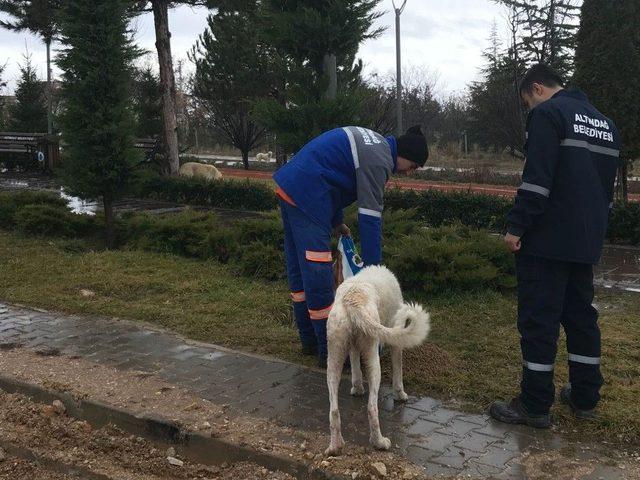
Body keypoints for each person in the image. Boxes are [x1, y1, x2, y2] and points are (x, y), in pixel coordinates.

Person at [490, 64, 620, 428]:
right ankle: (585, 396)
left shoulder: (548, 114)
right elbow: (603, 191)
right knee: (581, 318)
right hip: (585, 240)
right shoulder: (604, 123)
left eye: (527, 103)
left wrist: (516, 227)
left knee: (539, 321)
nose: (530, 109)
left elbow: (537, 182)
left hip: (546, 242)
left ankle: (533, 406)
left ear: (537, 89)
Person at [274, 125, 429, 368]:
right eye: (413, 167)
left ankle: (308, 340)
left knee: (299, 270)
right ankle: (330, 351)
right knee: (317, 273)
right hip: (309, 197)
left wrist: (336, 222)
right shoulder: (379, 161)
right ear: (405, 154)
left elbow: (332, 175)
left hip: (293, 186)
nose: (410, 172)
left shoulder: (375, 144)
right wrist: (373, 273)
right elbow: (370, 220)